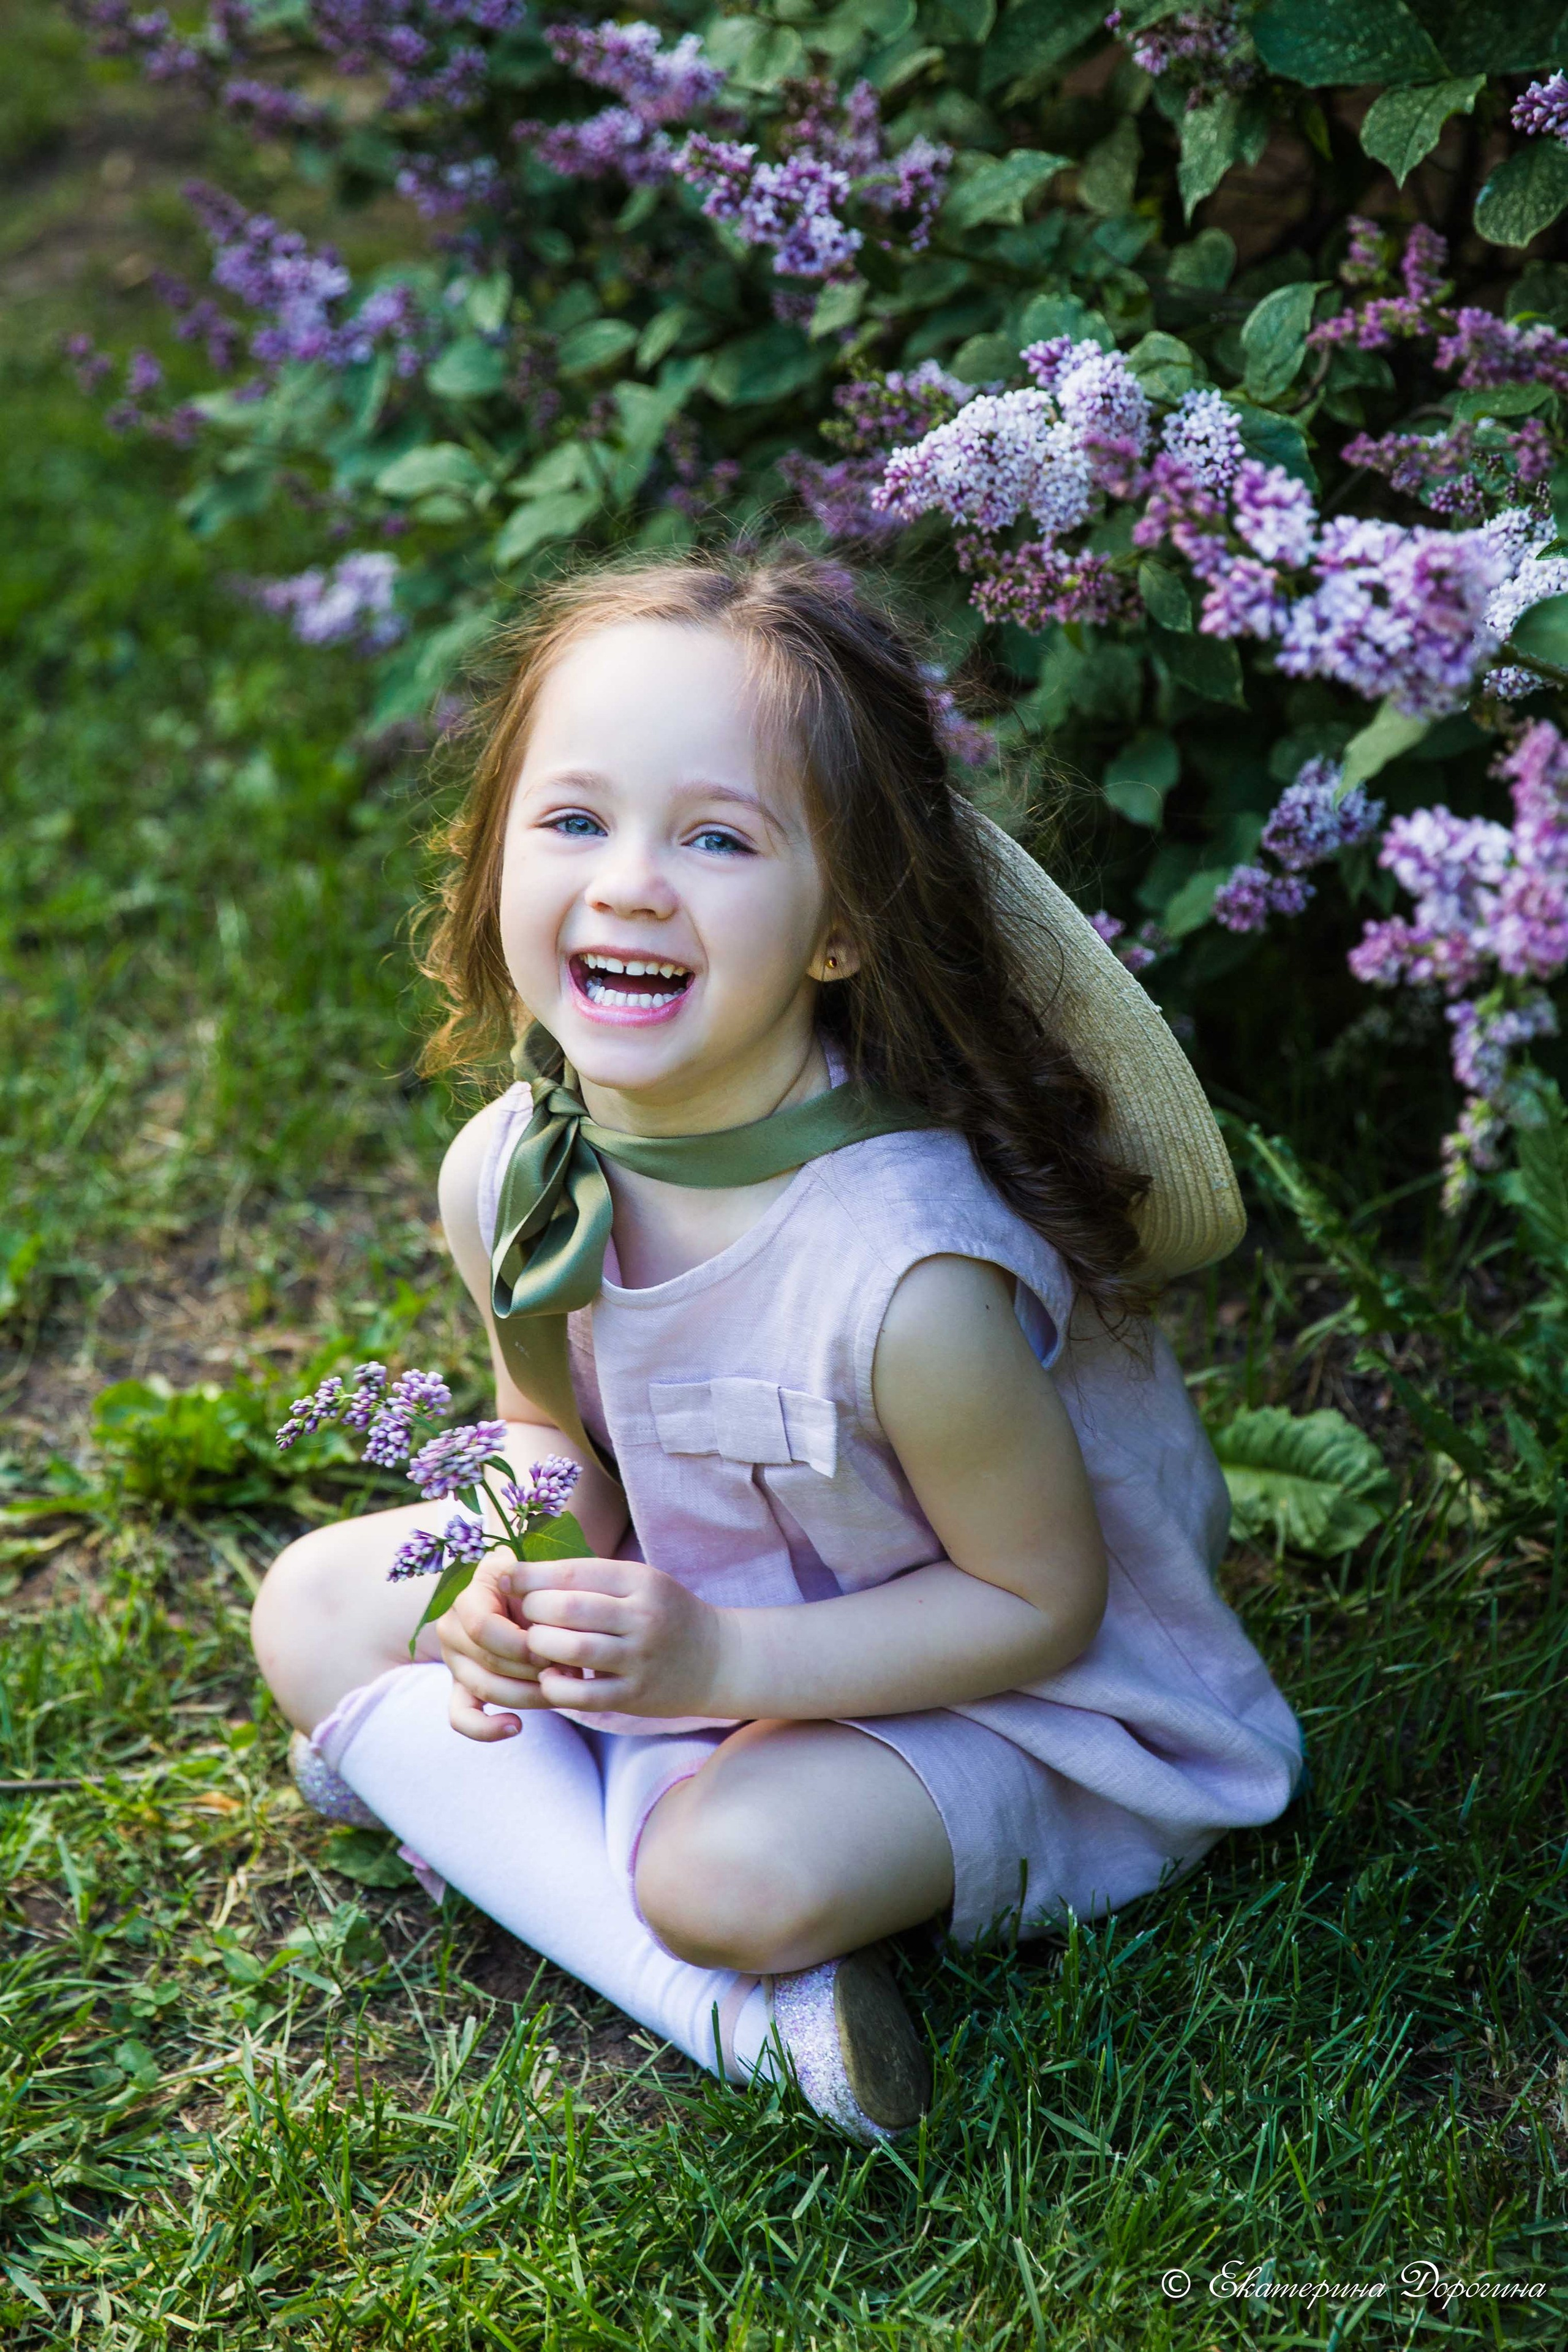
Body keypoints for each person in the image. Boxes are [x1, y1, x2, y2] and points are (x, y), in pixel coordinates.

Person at [251, 548, 1303, 2143]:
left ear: (841, 929)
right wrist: (502, 1578)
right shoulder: (518, 1176)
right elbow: (546, 1440)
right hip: (693, 1620)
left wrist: (725, 1665)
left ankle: (654, 1933)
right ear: (493, 858)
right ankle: (732, 1982)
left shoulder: (902, 1279)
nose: (626, 884)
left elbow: (1038, 1598)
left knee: (720, 1876)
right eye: (575, 819)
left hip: (992, 1689)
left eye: (718, 839)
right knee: (321, 1604)